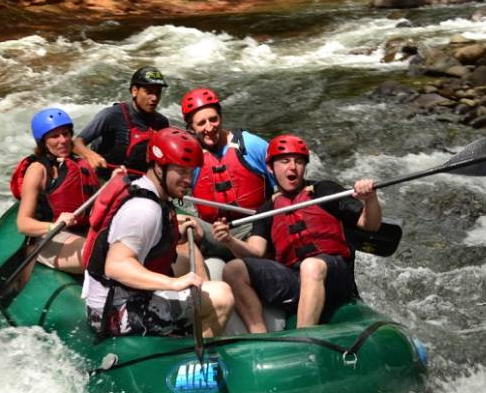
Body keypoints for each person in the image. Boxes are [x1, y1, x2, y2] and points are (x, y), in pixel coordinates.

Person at [211, 134, 381, 333]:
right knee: (233, 269)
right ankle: (260, 336)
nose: (292, 167)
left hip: (334, 275)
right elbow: (255, 251)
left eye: (299, 162)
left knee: (311, 266)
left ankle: (303, 338)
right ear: (270, 168)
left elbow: (369, 225)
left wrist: (370, 199)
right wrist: (229, 240)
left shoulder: (324, 190)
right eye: (284, 162)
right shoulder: (268, 208)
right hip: (294, 278)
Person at [82, 127, 235, 339]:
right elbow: (116, 266)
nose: (188, 180)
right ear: (159, 168)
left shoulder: (147, 190)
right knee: (222, 296)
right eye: (181, 171)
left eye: (190, 172)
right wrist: (172, 284)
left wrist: (175, 234)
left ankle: (187, 330)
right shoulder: (144, 210)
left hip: (121, 298)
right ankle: (190, 359)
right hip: (114, 313)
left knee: (184, 260)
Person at [180, 88, 275, 259]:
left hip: (255, 229)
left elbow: (283, 187)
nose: (209, 127)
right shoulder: (189, 157)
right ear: (191, 128)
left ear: (221, 117)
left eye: (213, 119)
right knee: (181, 224)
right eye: (201, 123)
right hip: (214, 232)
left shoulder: (252, 145)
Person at [10, 108, 100, 274]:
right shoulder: (38, 170)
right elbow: (23, 224)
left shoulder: (80, 164)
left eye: (66, 134)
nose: (63, 140)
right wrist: (54, 226)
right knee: (99, 255)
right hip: (49, 237)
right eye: (54, 136)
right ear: (43, 141)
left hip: (83, 231)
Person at [73, 66, 170, 177]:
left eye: (158, 93)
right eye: (149, 92)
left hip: (141, 183)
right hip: (108, 181)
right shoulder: (111, 115)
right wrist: (90, 155)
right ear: (134, 91)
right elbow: (76, 143)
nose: (154, 98)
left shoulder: (161, 123)